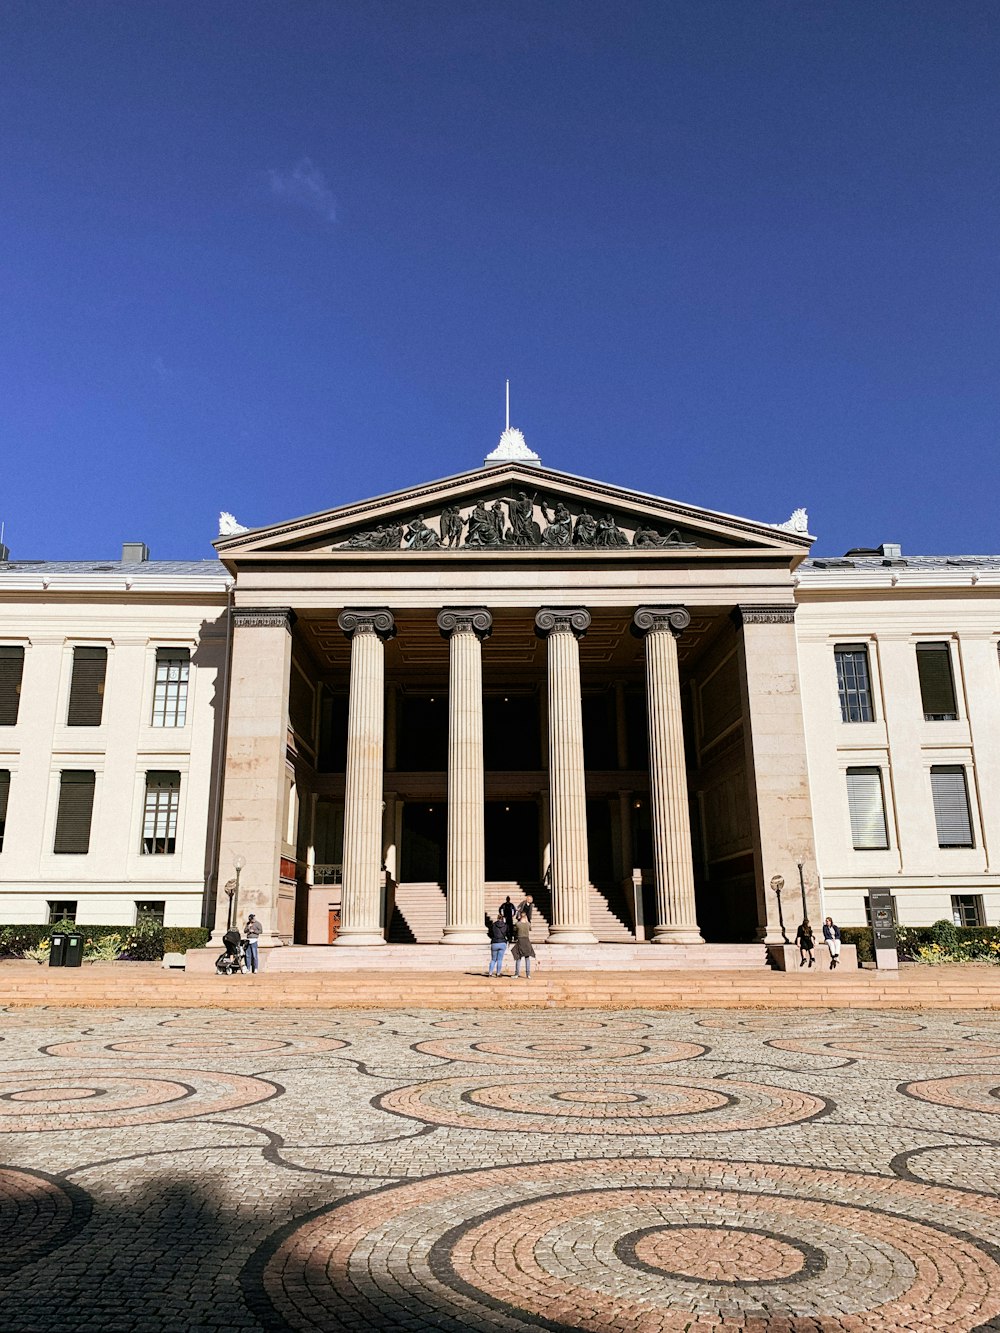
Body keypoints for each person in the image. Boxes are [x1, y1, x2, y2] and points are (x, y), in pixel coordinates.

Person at [512, 911, 536, 979]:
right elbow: (530, 929)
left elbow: (514, 930)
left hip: (520, 940)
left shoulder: (517, 924)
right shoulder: (528, 924)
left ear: (520, 916)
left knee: (518, 958)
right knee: (527, 958)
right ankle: (528, 974)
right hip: (527, 941)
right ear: (525, 916)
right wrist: (527, 921)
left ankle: (517, 974)